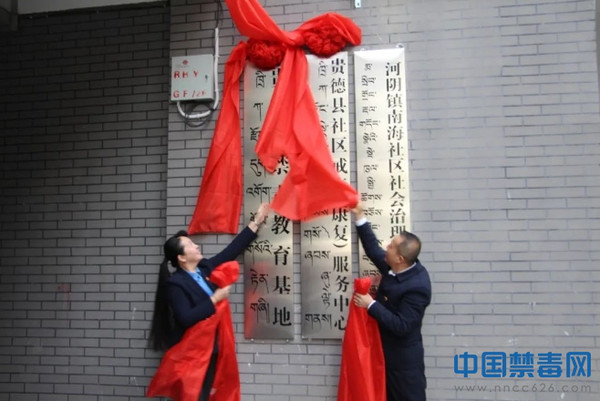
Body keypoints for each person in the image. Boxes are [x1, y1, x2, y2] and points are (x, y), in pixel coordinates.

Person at [148, 202, 270, 401]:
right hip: (190, 353)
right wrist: (215, 299)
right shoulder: (175, 284)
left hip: (211, 348)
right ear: (181, 258)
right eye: (190, 245)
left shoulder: (205, 268)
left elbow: (231, 251)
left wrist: (256, 221)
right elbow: (185, 317)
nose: (196, 246)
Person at [351, 202, 431, 401]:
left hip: (403, 366)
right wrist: (359, 216)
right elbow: (372, 249)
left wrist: (370, 304)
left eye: (391, 246)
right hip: (382, 356)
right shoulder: (393, 266)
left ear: (400, 258)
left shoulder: (417, 287)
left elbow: (402, 325)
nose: (386, 247)